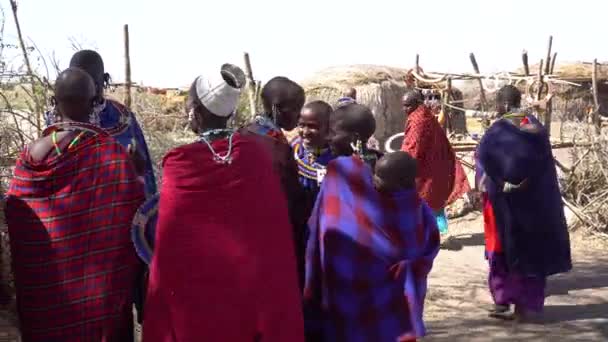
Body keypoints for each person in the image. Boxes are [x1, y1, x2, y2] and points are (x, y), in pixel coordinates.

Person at [143, 64, 304, 342]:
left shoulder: (180, 162)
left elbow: (171, 246)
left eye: (188, 104)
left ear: (195, 110)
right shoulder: (255, 153)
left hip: (197, 299)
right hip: (250, 291)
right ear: (229, 112)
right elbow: (270, 235)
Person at [5, 68, 144, 341]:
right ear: (94, 104)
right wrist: (136, 174)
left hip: (45, 306)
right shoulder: (110, 154)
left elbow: (17, 218)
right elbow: (133, 220)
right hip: (98, 312)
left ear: (54, 102)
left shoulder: (28, 157)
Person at [304, 107, 440, 341]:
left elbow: (321, 229)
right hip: (391, 292)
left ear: (355, 138)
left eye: (334, 132)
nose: (328, 138)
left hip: (349, 286)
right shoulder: (388, 166)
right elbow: (420, 221)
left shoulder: (341, 171)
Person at [476, 85, 572, 322]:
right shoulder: (535, 126)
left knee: (505, 250)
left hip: (506, 204)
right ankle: (525, 306)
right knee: (531, 252)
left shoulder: (497, 130)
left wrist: (502, 183)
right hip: (535, 202)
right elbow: (539, 162)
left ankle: (503, 300)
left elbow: (485, 158)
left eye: (498, 103)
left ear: (504, 104)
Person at [45, 50, 157, 198]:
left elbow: (143, 171)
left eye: (92, 84)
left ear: (104, 80)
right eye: (79, 84)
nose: (86, 92)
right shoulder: (55, 119)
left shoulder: (123, 118)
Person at [241, 76, 307, 286]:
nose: (300, 116)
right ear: (278, 109)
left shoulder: (246, 133)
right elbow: (287, 198)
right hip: (270, 235)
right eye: (297, 109)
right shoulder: (274, 148)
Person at [400, 89, 470, 235]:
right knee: (435, 203)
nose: (404, 109)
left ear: (416, 103)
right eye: (403, 105)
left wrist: (401, 163)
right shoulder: (424, 115)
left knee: (423, 201)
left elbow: (414, 147)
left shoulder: (418, 120)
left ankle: (431, 235)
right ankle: (440, 233)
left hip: (426, 169)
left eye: (407, 105)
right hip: (436, 165)